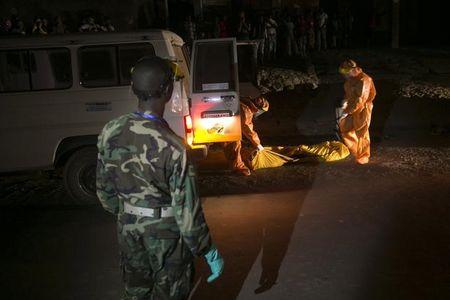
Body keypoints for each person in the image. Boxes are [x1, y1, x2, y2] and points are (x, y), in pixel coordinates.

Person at [96, 56, 224, 299]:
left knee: (136, 292)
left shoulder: (110, 130)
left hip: (128, 227)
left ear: (133, 88)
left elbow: (105, 192)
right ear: (167, 90)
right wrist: (206, 249)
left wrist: (129, 213)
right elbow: (187, 212)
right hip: (166, 233)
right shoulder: (174, 147)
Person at [337, 59, 376, 165]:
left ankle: (363, 156)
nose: (344, 75)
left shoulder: (364, 80)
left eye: (346, 72)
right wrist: (344, 103)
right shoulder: (350, 80)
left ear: (352, 70)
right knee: (345, 128)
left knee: (362, 132)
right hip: (351, 108)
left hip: (363, 109)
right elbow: (349, 95)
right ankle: (355, 151)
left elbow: (361, 99)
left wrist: (347, 111)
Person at [224, 96, 270, 176]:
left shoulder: (243, 103)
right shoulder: (246, 110)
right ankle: (238, 167)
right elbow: (247, 128)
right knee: (234, 142)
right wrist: (258, 144)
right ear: (258, 108)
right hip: (224, 125)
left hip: (220, 122)